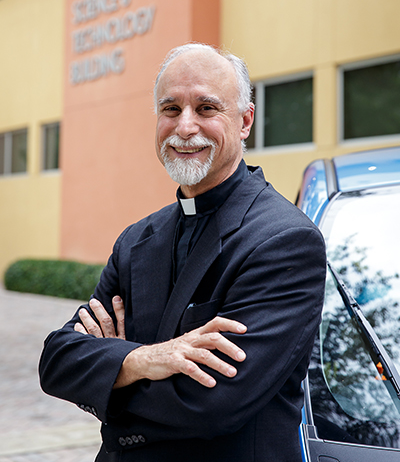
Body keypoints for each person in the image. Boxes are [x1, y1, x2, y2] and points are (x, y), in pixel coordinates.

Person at [39, 43, 326, 462]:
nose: (185, 127)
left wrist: (108, 374)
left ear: (245, 121)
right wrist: (144, 359)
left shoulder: (283, 240)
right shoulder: (137, 239)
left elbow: (212, 404)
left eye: (207, 108)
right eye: (170, 109)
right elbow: (57, 361)